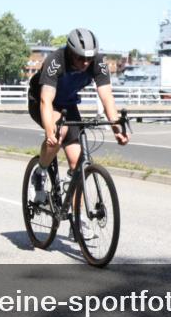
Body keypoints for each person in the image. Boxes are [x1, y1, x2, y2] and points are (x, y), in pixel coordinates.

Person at [27, 28, 128, 203]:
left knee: (77, 165)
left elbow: (106, 96)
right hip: (41, 101)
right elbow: (46, 101)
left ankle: (77, 224)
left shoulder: (99, 62)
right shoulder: (55, 61)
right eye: (80, 58)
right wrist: (50, 132)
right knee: (60, 132)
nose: (85, 63)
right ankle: (40, 172)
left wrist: (116, 127)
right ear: (70, 52)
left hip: (68, 103)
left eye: (89, 58)